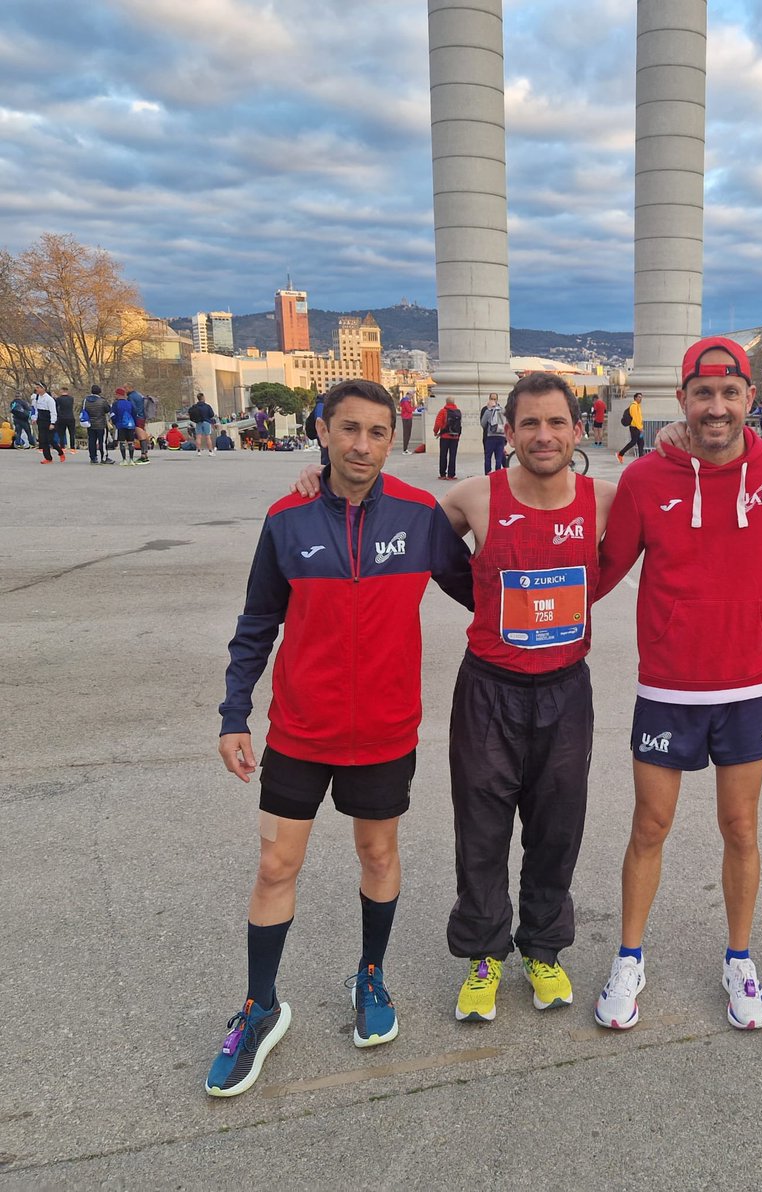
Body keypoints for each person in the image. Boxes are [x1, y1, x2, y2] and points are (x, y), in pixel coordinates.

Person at [207, 379, 474, 1098]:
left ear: (394, 439)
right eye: (348, 429)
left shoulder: (419, 516)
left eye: (377, 432)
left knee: (378, 853)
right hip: (300, 731)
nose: (362, 445)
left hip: (385, 732)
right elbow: (257, 622)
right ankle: (260, 1008)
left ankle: (371, 977)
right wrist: (235, 713)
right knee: (275, 864)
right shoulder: (286, 518)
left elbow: (481, 590)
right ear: (322, 432)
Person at [593, 337, 762, 1032]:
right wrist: (520, 605)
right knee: (649, 826)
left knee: (741, 828)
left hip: (745, 688)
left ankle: (739, 959)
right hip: (667, 687)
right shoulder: (644, 479)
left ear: (751, 398)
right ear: (682, 399)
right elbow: (603, 570)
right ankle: (629, 957)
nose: (717, 407)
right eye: (703, 394)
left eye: (729, 393)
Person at [437, 372, 617, 1023]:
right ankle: (484, 954)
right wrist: (319, 477)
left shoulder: (604, 500)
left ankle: (543, 949)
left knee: (556, 829)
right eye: (530, 423)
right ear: (508, 432)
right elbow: (409, 534)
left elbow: (666, 515)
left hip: (565, 692)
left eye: (556, 422)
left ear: (578, 429)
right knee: (481, 828)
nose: (544, 435)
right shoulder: (474, 496)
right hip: (490, 691)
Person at [111, 389, 143, 465]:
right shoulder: (130, 403)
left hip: (121, 425)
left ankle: (124, 460)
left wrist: (115, 422)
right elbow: (135, 414)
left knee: (122, 442)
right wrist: (135, 424)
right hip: (130, 425)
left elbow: (113, 415)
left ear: (118, 394)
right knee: (130, 442)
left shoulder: (115, 404)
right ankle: (131, 460)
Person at [82, 385, 112, 464]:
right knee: (102, 442)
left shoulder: (85, 400)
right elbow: (107, 410)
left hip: (90, 424)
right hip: (101, 424)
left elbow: (83, 410)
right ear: (99, 392)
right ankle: (104, 458)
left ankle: (93, 458)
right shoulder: (102, 401)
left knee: (92, 441)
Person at [433, 397, 462, 480]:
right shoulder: (458, 412)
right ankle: (451, 475)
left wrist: (435, 432)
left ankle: (443, 474)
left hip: (445, 436)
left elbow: (438, 423)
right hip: (455, 437)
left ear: (446, 402)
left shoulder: (443, 411)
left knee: (443, 455)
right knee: (453, 455)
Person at [31, 384, 60, 464]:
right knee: (42, 440)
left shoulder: (49, 399)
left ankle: (60, 451)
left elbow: (53, 412)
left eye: (38, 388)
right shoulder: (36, 398)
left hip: (48, 420)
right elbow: (36, 410)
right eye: (36, 388)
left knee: (50, 440)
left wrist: (52, 423)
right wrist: (34, 418)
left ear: (43, 388)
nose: (36, 389)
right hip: (41, 420)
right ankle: (48, 458)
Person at [479, 392, 506, 474]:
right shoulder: (503, 410)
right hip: (501, 436)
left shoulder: (487, 411)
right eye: (492, 398)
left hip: (490, 436)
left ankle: (488, 474)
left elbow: (483, 424)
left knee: (488, 457)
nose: (493, 400)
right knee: (498, 457)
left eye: (494, 399)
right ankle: (498, 473)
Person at [124, 384, 151, 463]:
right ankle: (145, 453)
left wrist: (132, 416)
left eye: (125, 388)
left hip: (137, 417)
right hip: (142, 417)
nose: (124, 390)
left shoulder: (131, 397)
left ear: (130, 388)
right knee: (142, 433)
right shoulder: (139, 394)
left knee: (140, 435)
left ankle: (143, 455)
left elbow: (133, 407)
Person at [615, 392, 644, 462]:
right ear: (635, 398)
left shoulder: (638, 406)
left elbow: (639, 418)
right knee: (633, 442)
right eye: (639, 397)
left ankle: (641, 459)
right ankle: (620, 454)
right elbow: (635, 418)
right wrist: (640, 428)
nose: (640, 398)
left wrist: (641, 427)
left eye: (641, 397)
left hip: (638, 427)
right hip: (634, 427)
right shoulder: (634, 406)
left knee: (641, 443)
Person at [54, 388, 78, 454]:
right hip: (70, 417)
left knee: (61, 433)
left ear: (61, 391)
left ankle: (62, 447)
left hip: (61, 417)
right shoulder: (71, 399)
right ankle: (72, 448)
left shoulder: (58, 399)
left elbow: (56, 407)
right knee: (72, 433)